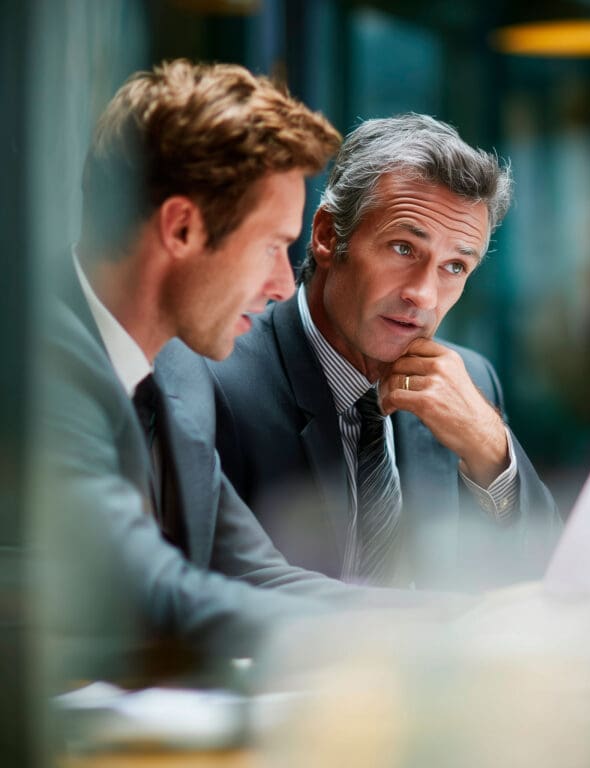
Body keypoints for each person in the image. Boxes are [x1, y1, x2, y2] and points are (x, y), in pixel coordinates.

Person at [38, 62, 460, 682]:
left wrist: (460, 622)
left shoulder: (178, 370)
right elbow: (152, 592)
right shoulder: (35, 366)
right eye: (270, 246)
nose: (281, 285)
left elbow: (253, 570)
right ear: (181, 227)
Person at [208, 114, 561, 590]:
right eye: (402, 248)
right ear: (330, 235)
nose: (425, 295)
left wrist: (491, 451)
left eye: (455, 266)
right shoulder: (219, 378)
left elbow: (544, 579)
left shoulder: (471, 381)